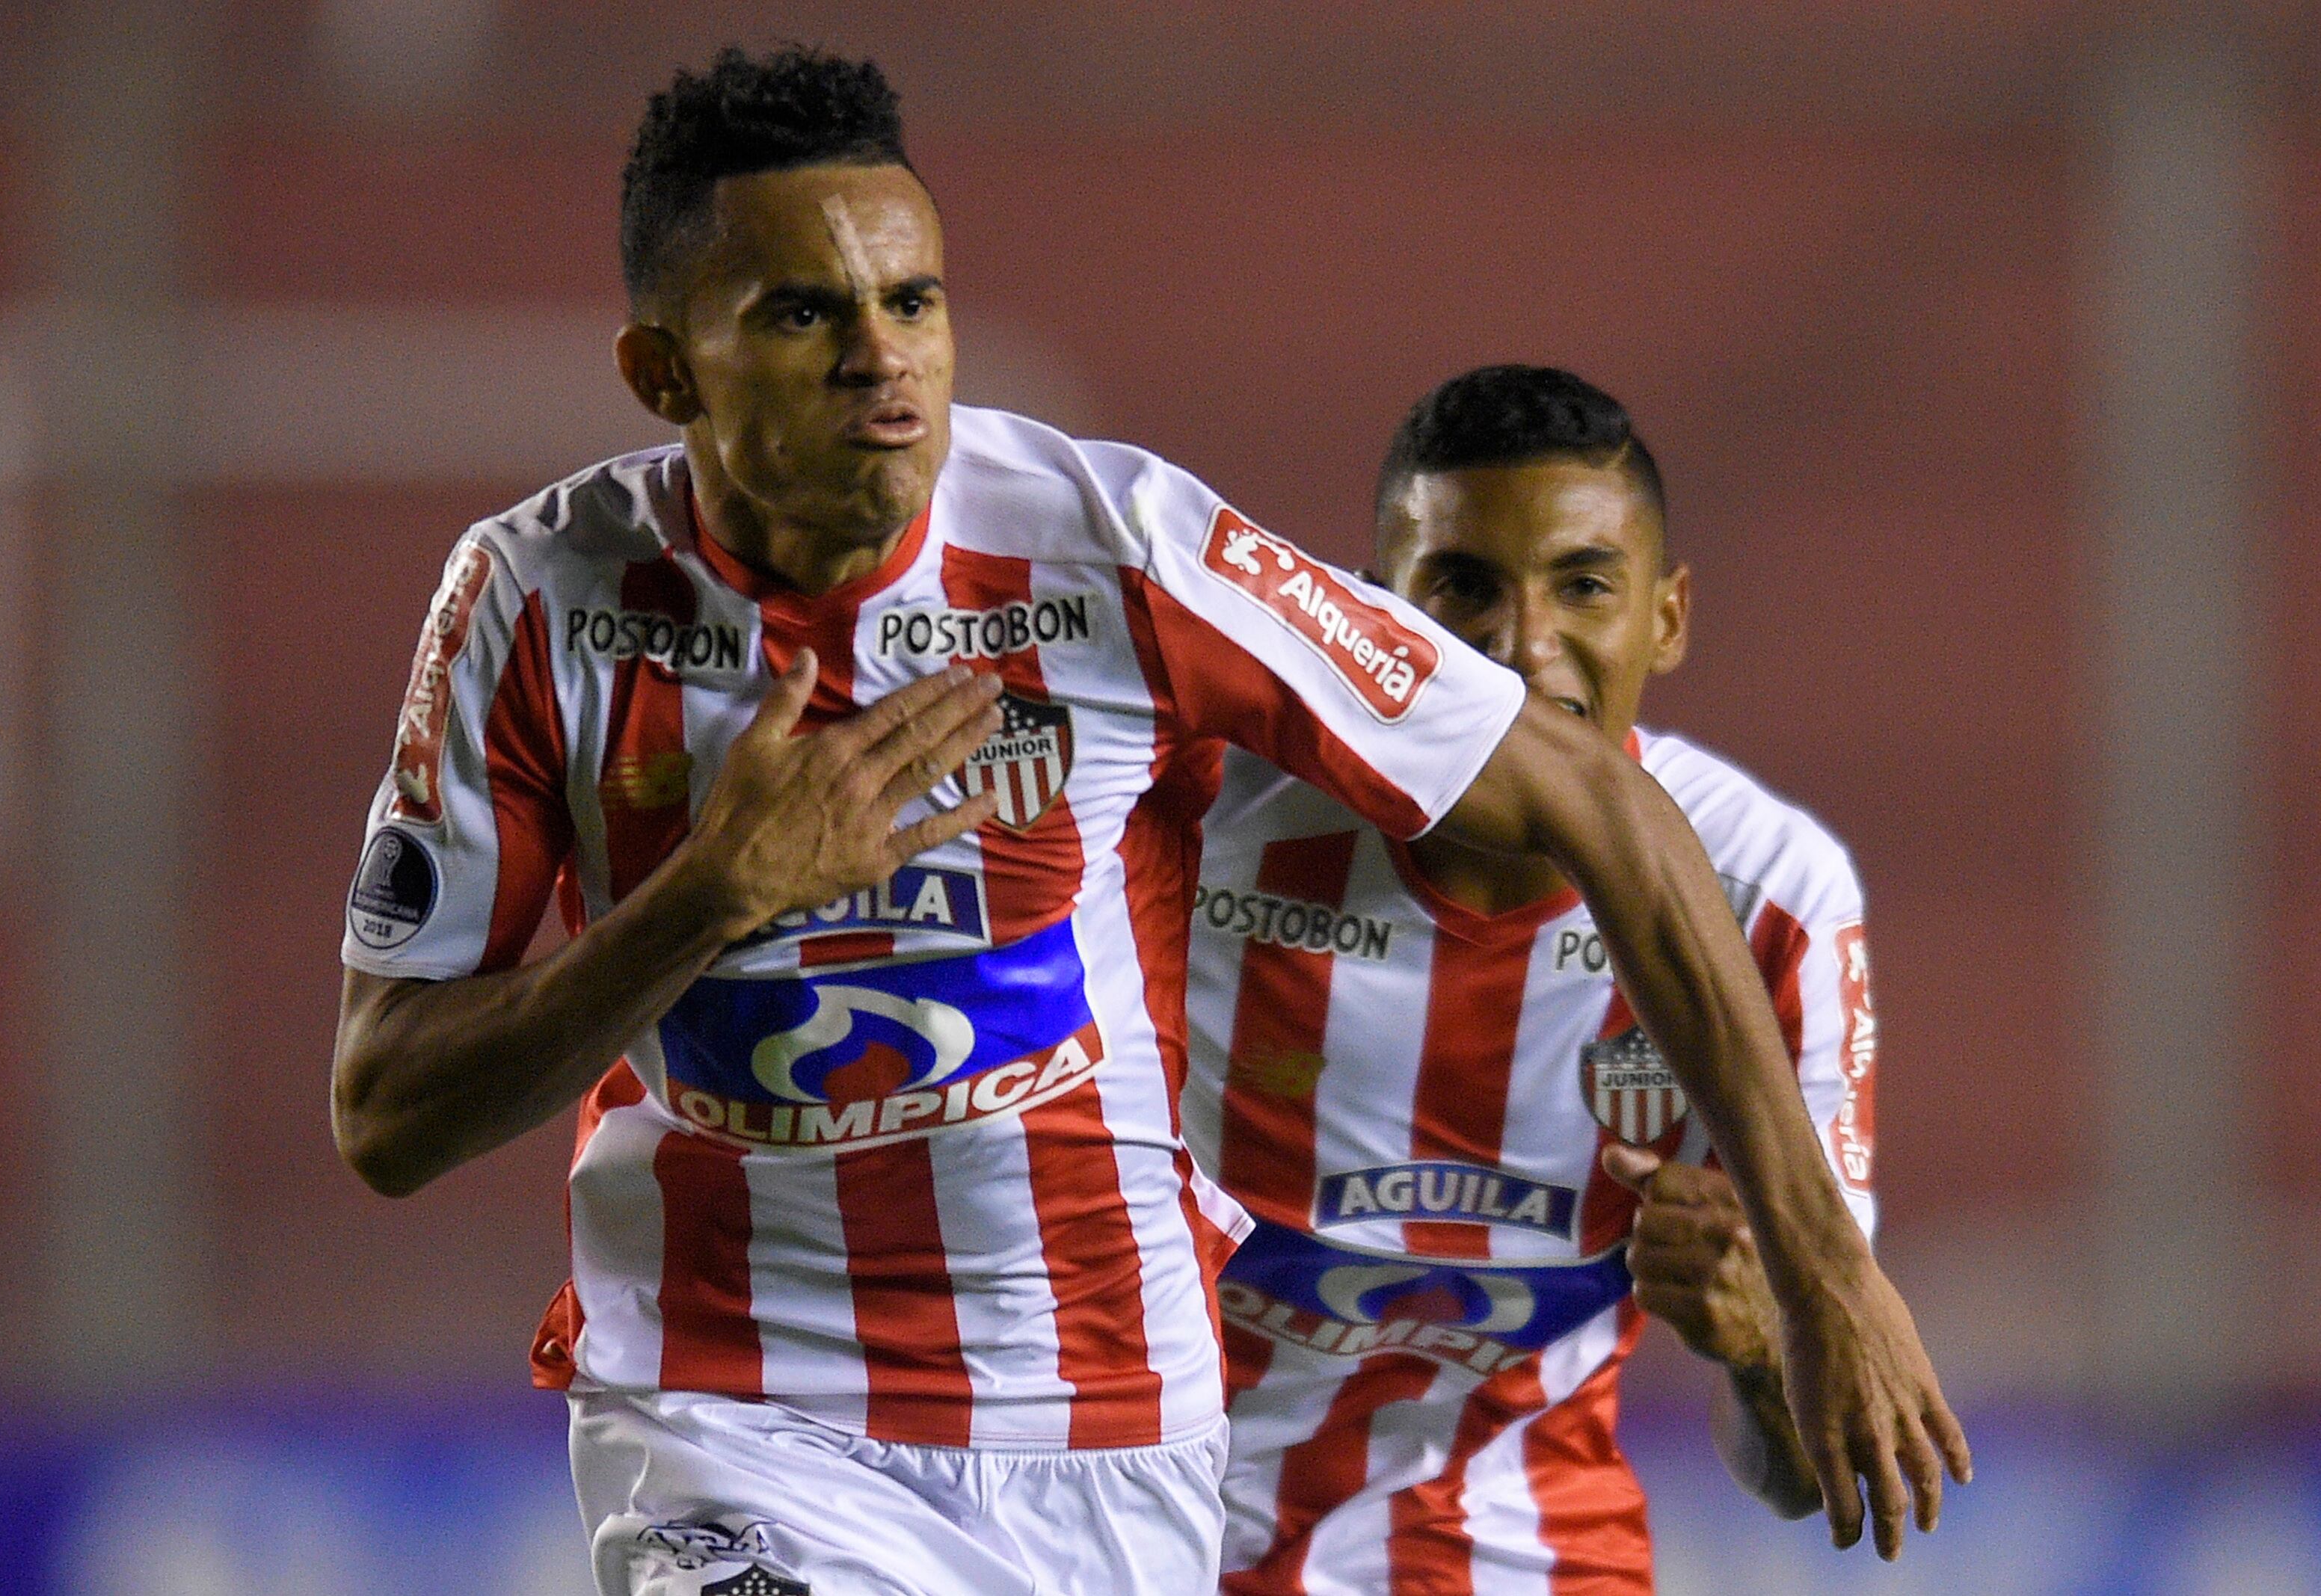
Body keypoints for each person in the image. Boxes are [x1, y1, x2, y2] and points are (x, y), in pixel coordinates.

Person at [328, 46, 1961, 1596]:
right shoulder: (535, 601)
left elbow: (1595, 795)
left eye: (914, 301)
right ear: (663, 369)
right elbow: (388, 1112)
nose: (881, 358)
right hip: (734, 1410)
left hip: (1104, 1431)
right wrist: (708, 899)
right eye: (804, 313)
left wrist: (1822, 1274)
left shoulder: (1110, 545)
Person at [1181, 365, 1878, 1592]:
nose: (1521, 649)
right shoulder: (1197, 829)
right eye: (1462, 587)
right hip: (1142, 1536)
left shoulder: (1772, 900)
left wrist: (1760, 1347)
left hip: (1511, 1559)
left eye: (1584, 586)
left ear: (1668, 618)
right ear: (1372, 616)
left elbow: (1807, 1481)